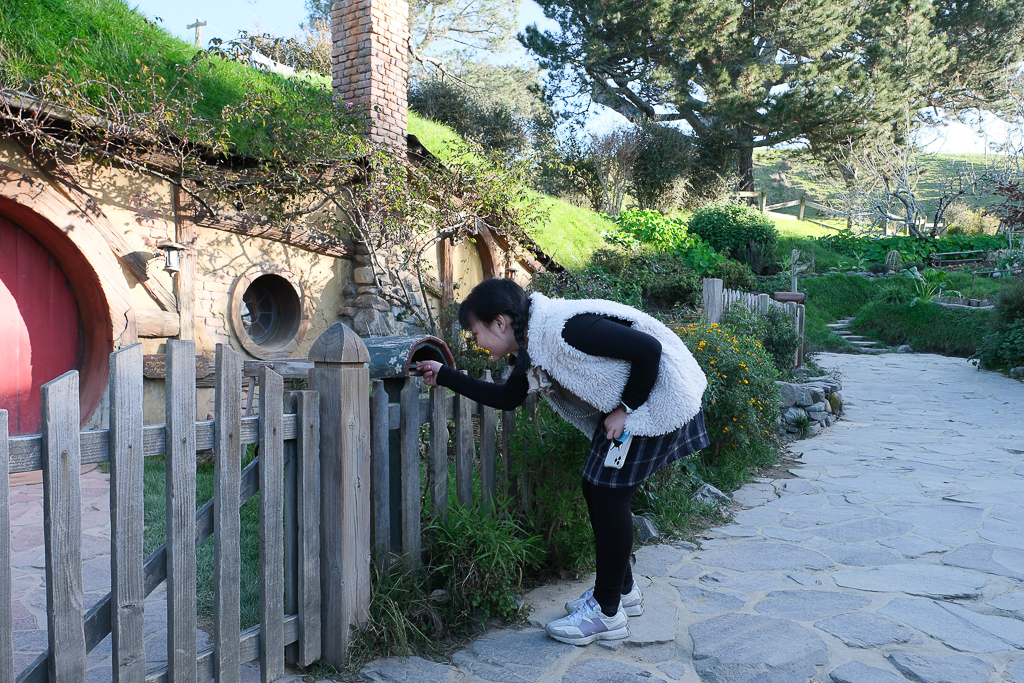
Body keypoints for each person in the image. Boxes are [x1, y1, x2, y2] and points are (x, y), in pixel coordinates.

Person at [417, 278, 709, 646]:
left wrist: (625, 409)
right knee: (596, 487)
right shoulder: (534, 344)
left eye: (476, 333)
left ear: (500, 323)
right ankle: (622, 591)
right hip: (638, 408)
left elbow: (649, 350)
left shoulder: (567, 328)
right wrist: (444, 375)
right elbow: (508, 397)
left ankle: (606, 614)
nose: (477, 342)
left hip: (661, 402)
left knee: (608, 493)